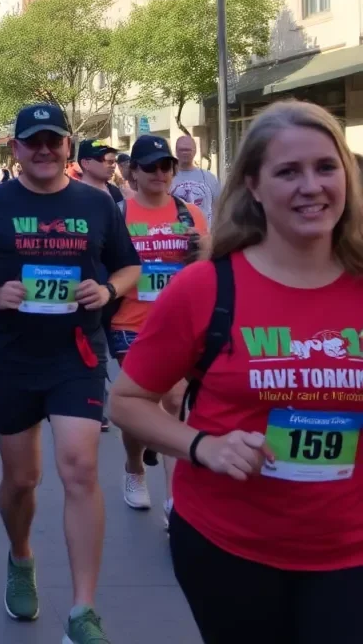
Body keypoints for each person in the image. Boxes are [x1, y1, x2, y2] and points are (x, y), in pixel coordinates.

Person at [110, 101, 363, 644]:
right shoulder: (205, 288)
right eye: (288, 171)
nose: (311, 186)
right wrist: (203, 446)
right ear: (253, 184)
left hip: (351, 551)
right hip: (229, 548)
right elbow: (128, 401)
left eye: (325, 167)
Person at [0, 104, 140, 644]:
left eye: (54, 140)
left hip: (76, 354)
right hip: (10, 356)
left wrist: (108, 290)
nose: (45, 150)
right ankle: (21, 555)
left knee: (79, 469)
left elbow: (128, 265)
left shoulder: (96, 204)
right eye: (34, 142)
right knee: (23, 480)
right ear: (16, 150)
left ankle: (82, 610)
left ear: (68, 146)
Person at [108, 136, 208, 519]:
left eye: (165, 166)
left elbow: (207, 266)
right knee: (144, 401)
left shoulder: (190, 214)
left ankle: (174, 500)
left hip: (179, 326)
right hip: (129, 323)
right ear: (133, 171)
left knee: (174, 399)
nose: (160, 173)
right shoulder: (120, 214)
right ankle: (134, 467)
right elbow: (106, 266)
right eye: (150, 166)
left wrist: (201, 252)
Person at [172, 135, 221, 225]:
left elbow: (219, 207)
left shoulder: (209, 177)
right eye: (181, 150)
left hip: (205, 235)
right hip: (176, 235)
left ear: (195, 151)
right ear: (176, 151)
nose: (185, 153)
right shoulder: (167, 178)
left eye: (188, 150)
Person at [77, 139, 124, 204]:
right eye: (109, 161)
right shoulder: (73, 197)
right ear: (86, 163)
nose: (114, 165)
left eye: (115, 161)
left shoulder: (115, 192)